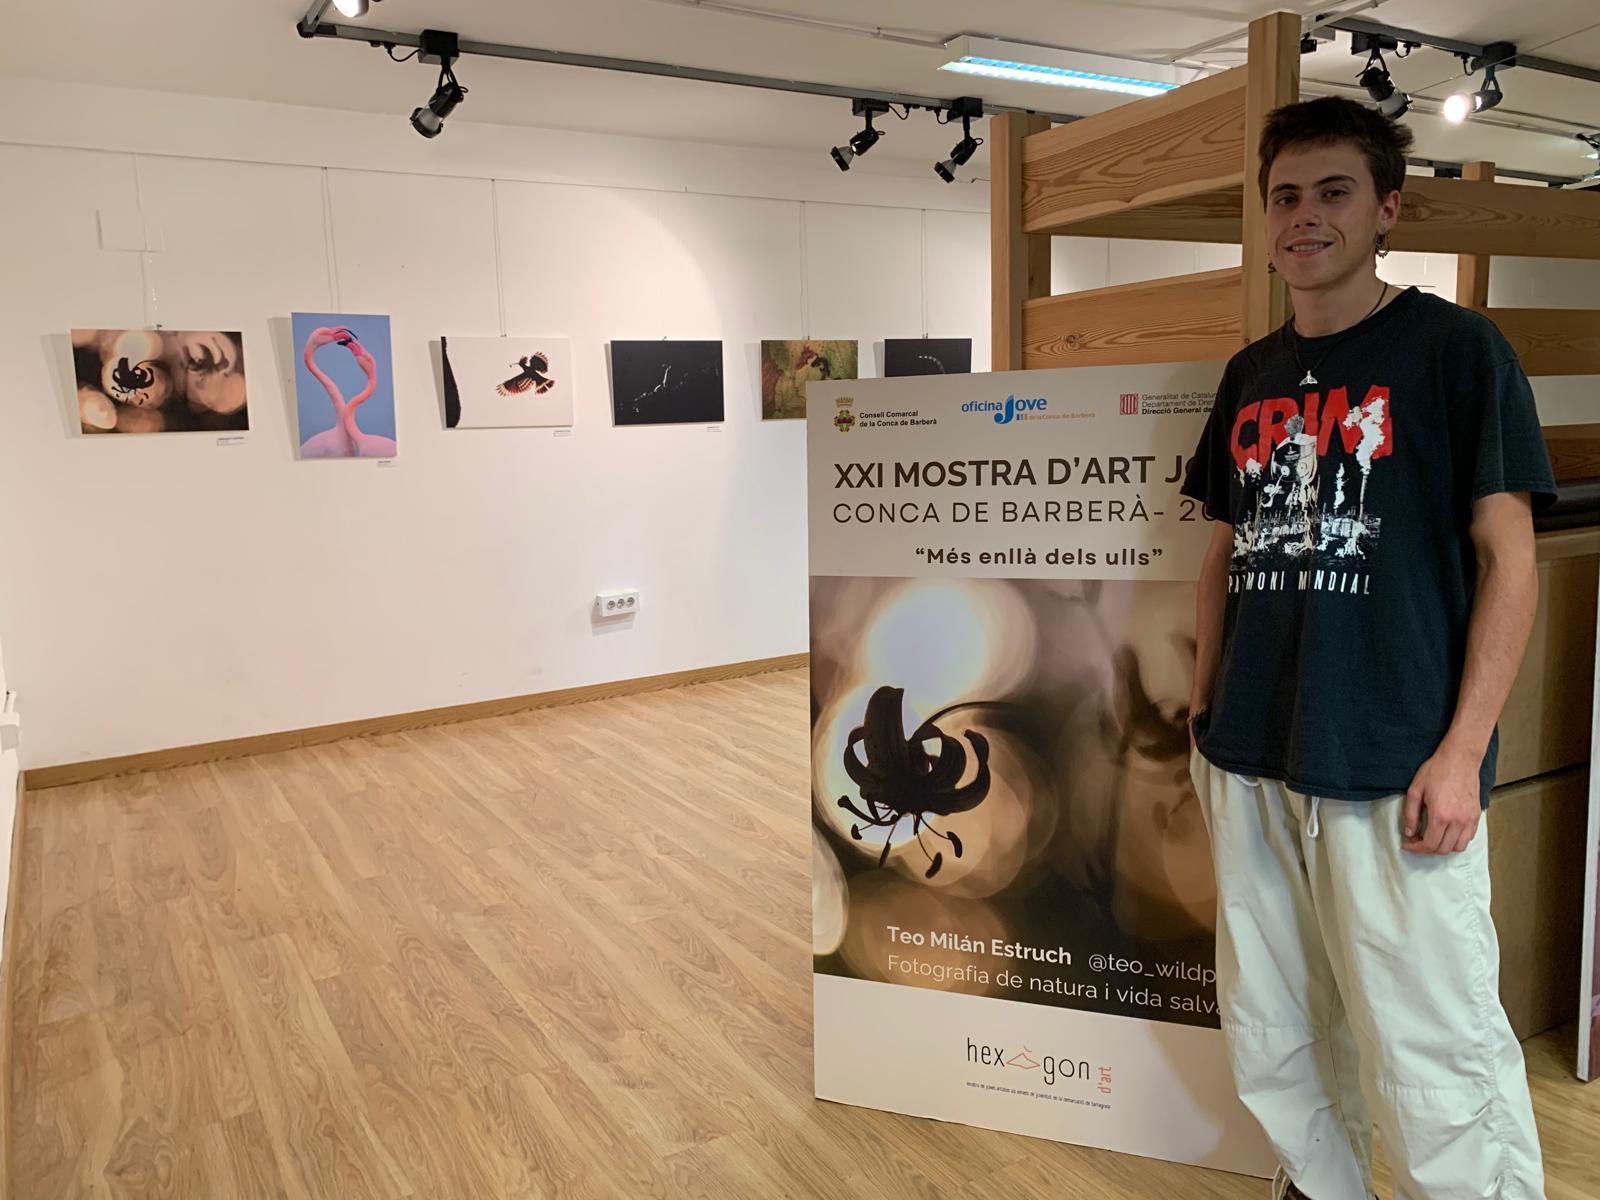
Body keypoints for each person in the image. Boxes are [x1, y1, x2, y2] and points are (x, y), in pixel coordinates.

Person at [1182, 96, 1555, 1200]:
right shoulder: (1250, 373)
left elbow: (1510, 562)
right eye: (1285, 196)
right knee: (1275, 1020)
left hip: (1396, 759)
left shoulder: (1456, 352)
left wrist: (1463, 753)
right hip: (1252, 752)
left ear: (1386, 209)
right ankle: (1318, 1182)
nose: (1306, 216)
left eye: (1333, 192)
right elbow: (1223, 553)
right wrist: (1203, 718)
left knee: (1432, 1037)